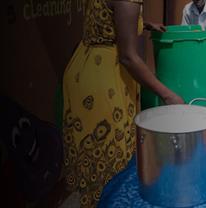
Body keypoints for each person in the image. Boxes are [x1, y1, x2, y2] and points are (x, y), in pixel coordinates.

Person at [62, 0, 184, 207]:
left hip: (85, 67)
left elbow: (109, 18)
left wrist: (143, 23)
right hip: (105, 81)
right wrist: (168, 95)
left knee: (92, 158)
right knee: (110, 161)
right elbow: (128, 57)